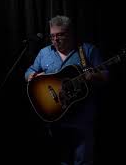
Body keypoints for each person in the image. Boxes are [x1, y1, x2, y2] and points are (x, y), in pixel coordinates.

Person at [25, 15, 108, 165]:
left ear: (70, 33)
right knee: (61, 160)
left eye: (60, 35)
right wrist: (31, 76)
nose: (55, 40)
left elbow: (105, 75)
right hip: (55, 118)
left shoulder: (87, 50)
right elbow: (30, 71)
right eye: (52, 36)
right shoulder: (44, 53)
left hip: (82, 118)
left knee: (83, 161)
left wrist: (94, 76)